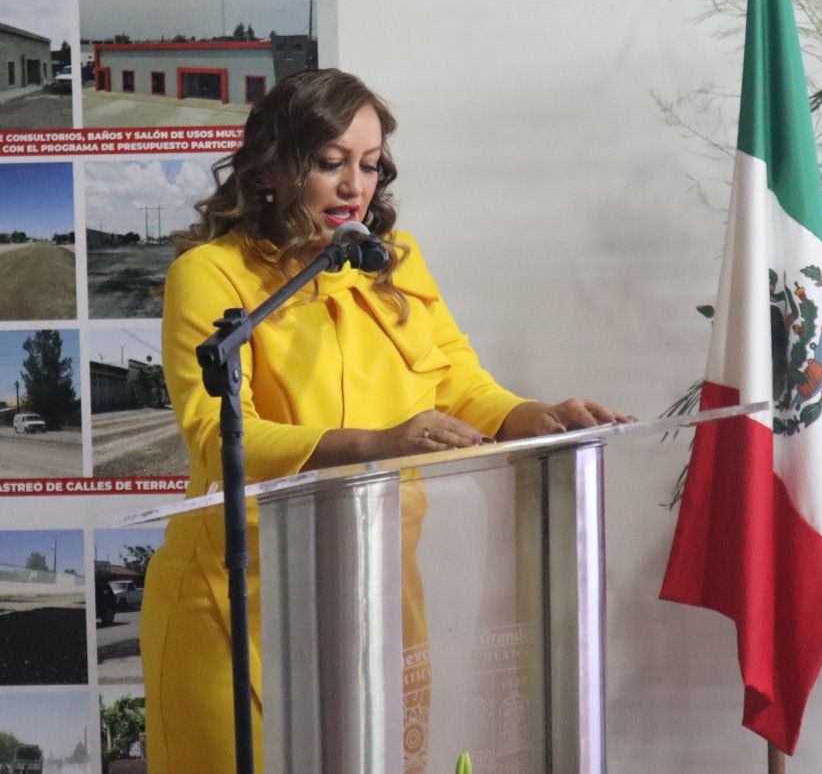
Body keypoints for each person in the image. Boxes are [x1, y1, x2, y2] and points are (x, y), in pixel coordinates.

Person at [141, 69, 630, 773]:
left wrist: (534, 416)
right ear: (272, 168)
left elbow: (459, 383)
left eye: (369, 165)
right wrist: (378, 445)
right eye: (330, 162)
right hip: (236, 602)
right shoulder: (212, 274)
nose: (354, 187)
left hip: (379, 587)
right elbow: (222, 439)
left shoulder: (395, 265)